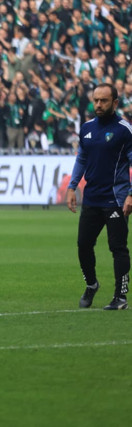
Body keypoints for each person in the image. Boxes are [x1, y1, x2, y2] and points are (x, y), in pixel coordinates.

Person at [66, 83, 132, 310]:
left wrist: (131, 194)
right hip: (92, 198)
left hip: (116, 199)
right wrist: (72, 186)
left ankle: (120, 296)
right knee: (83, 245)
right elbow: (81, 158)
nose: (98, 105)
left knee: (118, 248)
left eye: (103, 100)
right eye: (96, 100)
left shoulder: (124, 130)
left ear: (115, 103)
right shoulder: (86, 128)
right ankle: (92, 284)